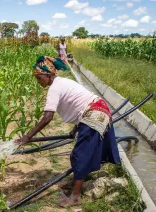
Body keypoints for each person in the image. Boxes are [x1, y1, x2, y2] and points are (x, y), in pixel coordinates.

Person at [16, 56, 121, 207]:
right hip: (97, 110)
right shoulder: (63, 82)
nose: (38, 82)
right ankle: (75, 184)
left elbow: (47, 118)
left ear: (48, 74)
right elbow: (81, 104)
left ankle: (76, 197)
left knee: (80, 155)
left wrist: (27, 136)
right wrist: (75, 129)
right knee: (79, 154)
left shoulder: (54, 88)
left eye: (39, 78)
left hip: (93, 115)